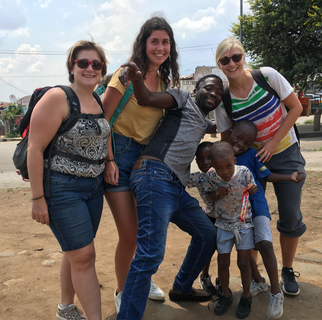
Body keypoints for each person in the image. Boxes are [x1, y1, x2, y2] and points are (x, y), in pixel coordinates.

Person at [116, 63, 223, 320]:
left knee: (207, 234)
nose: (215, 94)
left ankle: (182, 287)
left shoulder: (204, 121)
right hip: (155, 175)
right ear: (196, 89)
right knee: (150, 253)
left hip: (174, 186)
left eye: (219, 92)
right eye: (209, 88)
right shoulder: (182, 98)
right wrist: (137, 78)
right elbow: (147, 98)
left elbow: (216, 127)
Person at [214, 37, 306, 297]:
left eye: (236, 57)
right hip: (250, 163)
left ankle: (287, 269)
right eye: (225, 60)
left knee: (289, 214)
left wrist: (273, 142)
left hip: (285, 151)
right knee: (250, 218)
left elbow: (295, 107)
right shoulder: (223, 99)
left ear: (243, 57)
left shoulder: (267, 76)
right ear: (219, 64)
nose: (232, 63)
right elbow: (225, 140)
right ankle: (255, 275)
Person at [102, 16, 180, 312]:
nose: (160, 47)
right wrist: (109, 159)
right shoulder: (125, 75)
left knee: (146, 232)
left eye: (165, 42)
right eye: (155, 41)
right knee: (130, 234)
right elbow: (103, 121)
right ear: (143, 44)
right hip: (118, 155)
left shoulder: (164, 81)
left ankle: (140, 280)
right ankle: (124, 290)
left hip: (146, 161)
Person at [27, 40, 109, 320]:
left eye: (96, 64)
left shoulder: (96, 98)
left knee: (75, 251)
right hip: (63, 188)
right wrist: (38, 198)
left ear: (102, 69)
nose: (89, 68)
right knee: (85, 257)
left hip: (93, 188)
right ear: (71, 66)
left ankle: (65, 307)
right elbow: (35, 149)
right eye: (82, 63)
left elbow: (103, 134)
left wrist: (108, 162)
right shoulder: (57, 98)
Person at [229, 120, 304, 319]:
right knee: (243, 252)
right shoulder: (223, 154)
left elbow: (267, 176)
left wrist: (290, 178)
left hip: (258, 207)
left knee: (264, 243)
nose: (241, 144)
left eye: (247, 142)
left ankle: (275, 292)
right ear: (230, 132)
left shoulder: (252, 155)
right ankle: (257, 283)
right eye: (238, 138)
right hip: (236, 213)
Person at [204, 141, 257, 318]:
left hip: (243, 223)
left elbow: (252, 188)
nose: (225, 172)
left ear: (234, 160)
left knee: (243, 262)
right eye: (220, 168)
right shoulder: (211, 177)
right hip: (223, 225)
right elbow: (209, 197)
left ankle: (246, 296)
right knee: (222, 262)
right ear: (213, 166)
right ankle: (226, 295)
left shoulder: (244, 172)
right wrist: (217, 194)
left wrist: (253, 189)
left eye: (228, 166)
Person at [185, 142, 218, 296]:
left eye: (209, 158)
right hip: (211, 217)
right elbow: (182, 181)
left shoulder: (225, 173)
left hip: (228, 219)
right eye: (200, 159)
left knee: (224, 251)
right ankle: (204, 276)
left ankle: (221, 280)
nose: (205, 162)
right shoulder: (198, 178)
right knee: (208, 250)